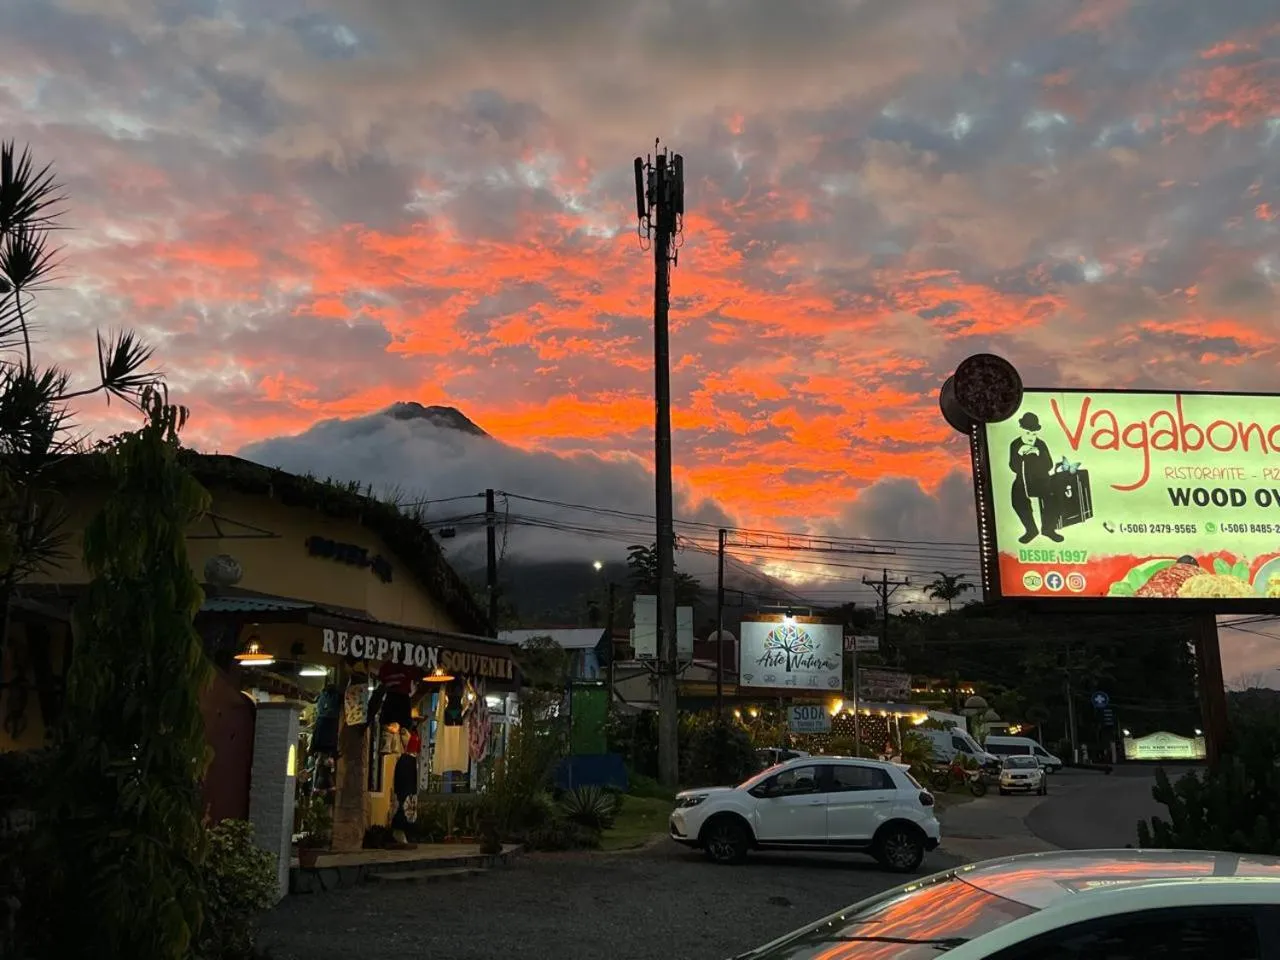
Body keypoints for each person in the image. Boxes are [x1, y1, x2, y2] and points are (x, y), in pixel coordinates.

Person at [1008, 412, 1063, 544]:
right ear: (1022, 430)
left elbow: (1049, 465)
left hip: (1042, 480)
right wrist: (1020, 454)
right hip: (1023, 480)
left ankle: (1049, 529)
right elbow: (1013, 466)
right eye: (1028, 433)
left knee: (1054, 498)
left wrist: (1038, 453)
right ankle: (1031, 530)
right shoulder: (1015, 444)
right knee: (1017, 499)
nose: (1031, 437)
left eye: (1034, 434)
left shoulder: (1041, 444)